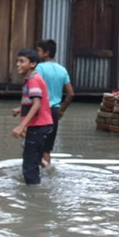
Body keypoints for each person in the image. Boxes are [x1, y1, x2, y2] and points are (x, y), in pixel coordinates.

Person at [11, 48, 53, 186]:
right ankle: (44, 172)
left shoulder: (33, 80)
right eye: (17, 61)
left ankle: (34, 199)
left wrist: (21, 126)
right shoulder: (32, 78)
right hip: (41, 126)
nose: (18, 64)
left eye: (22, 61)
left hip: (38, 127)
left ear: (33, 63)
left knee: (29, 169)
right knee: (32, 159)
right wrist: (20, 109)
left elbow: (37, 104)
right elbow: (33, 102)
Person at [35, 39, 74, 166]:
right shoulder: (62, 70)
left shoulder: (39, 68)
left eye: (38, 51)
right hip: (55, 111)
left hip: (41, 110)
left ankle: (34, 175)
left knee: (33, 144)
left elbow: (36, 90)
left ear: (46, 53)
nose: (36, 54)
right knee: (47, 148)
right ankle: (48, 174)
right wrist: (62, 111)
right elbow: (71, 94)